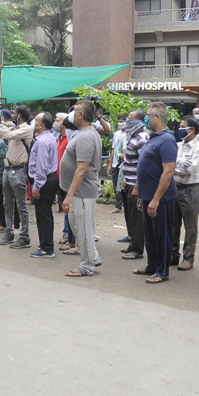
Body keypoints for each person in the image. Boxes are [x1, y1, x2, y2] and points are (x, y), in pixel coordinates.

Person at [133, 101, 178, 284]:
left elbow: (168, 172)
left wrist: (156, 199)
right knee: (150, 234)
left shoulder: (167, 140)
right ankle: (152, 265)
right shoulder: (153, 138)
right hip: (147, 195)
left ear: (158, 117)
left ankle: (162, 271)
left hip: (161, 198)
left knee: (162, 235)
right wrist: (139, 190)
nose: (146, 117)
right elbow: (144, 166)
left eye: (148, 115)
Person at [61, 100, 102, 276]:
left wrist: (69, 195)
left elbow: (82, 168)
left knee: (83, 229)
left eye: (75, 110)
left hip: (82, 192)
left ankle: (87, 266)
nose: (72, 113)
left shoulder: (86, 136)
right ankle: (93, 256)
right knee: (78, 226)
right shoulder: (83, 133)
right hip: (78, 191)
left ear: (81, 115)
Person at [0, 105, 33, 249]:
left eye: (15, 113)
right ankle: (9, 232)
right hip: (8, 169)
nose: (12, 114)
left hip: (19, 170)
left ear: (20, 115)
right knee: (7, 203)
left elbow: (7, 135)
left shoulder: (26, 128)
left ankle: (24, 236)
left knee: (20, 205)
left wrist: (2, 120)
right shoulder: (14, 128)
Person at [170, 116, 199, 271]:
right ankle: (172, 254)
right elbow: (167, 164)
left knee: (190, 225)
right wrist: (177, 166)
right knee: (173, 223)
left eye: (183, 126)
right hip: (174, 187)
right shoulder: (177, 145)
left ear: (192, 130)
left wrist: (173, 166)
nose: (180, 129)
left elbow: (188, 170)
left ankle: (188, 258)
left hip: (191, 189)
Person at [28, 112, 59, 258]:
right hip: (50, 178)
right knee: (46, 213)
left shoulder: (41, 141)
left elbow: (41, 165)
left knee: (43, 214)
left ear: (42, 125)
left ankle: (47, 247)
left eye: (36, 120)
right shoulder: (50, 137)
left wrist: (36, 186)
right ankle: (46, 244)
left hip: (44, 180)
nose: (33, 122)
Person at [120, 110, 149, 260]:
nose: (126, 121)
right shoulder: (133, 137)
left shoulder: (142, 139)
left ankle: (138, 249)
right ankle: (133, 245)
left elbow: (142, 165)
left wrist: (138, 185)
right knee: (131, 217)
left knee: (137, 219)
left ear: (138, 122)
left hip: (136, 184)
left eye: (129, 119)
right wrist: (126, 179)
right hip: (129, 182)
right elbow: (130, 162)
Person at [108, 114, 127, 214]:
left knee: (124, 185)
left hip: (125, 164)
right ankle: (118, 205)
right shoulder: (117, 134)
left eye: (122, 121)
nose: (120, 123)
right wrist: (110, 163)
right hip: (116, 164)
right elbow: (113, 149)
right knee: (116, 185)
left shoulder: (128, 134)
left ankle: (124, 203)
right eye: (119, 121)